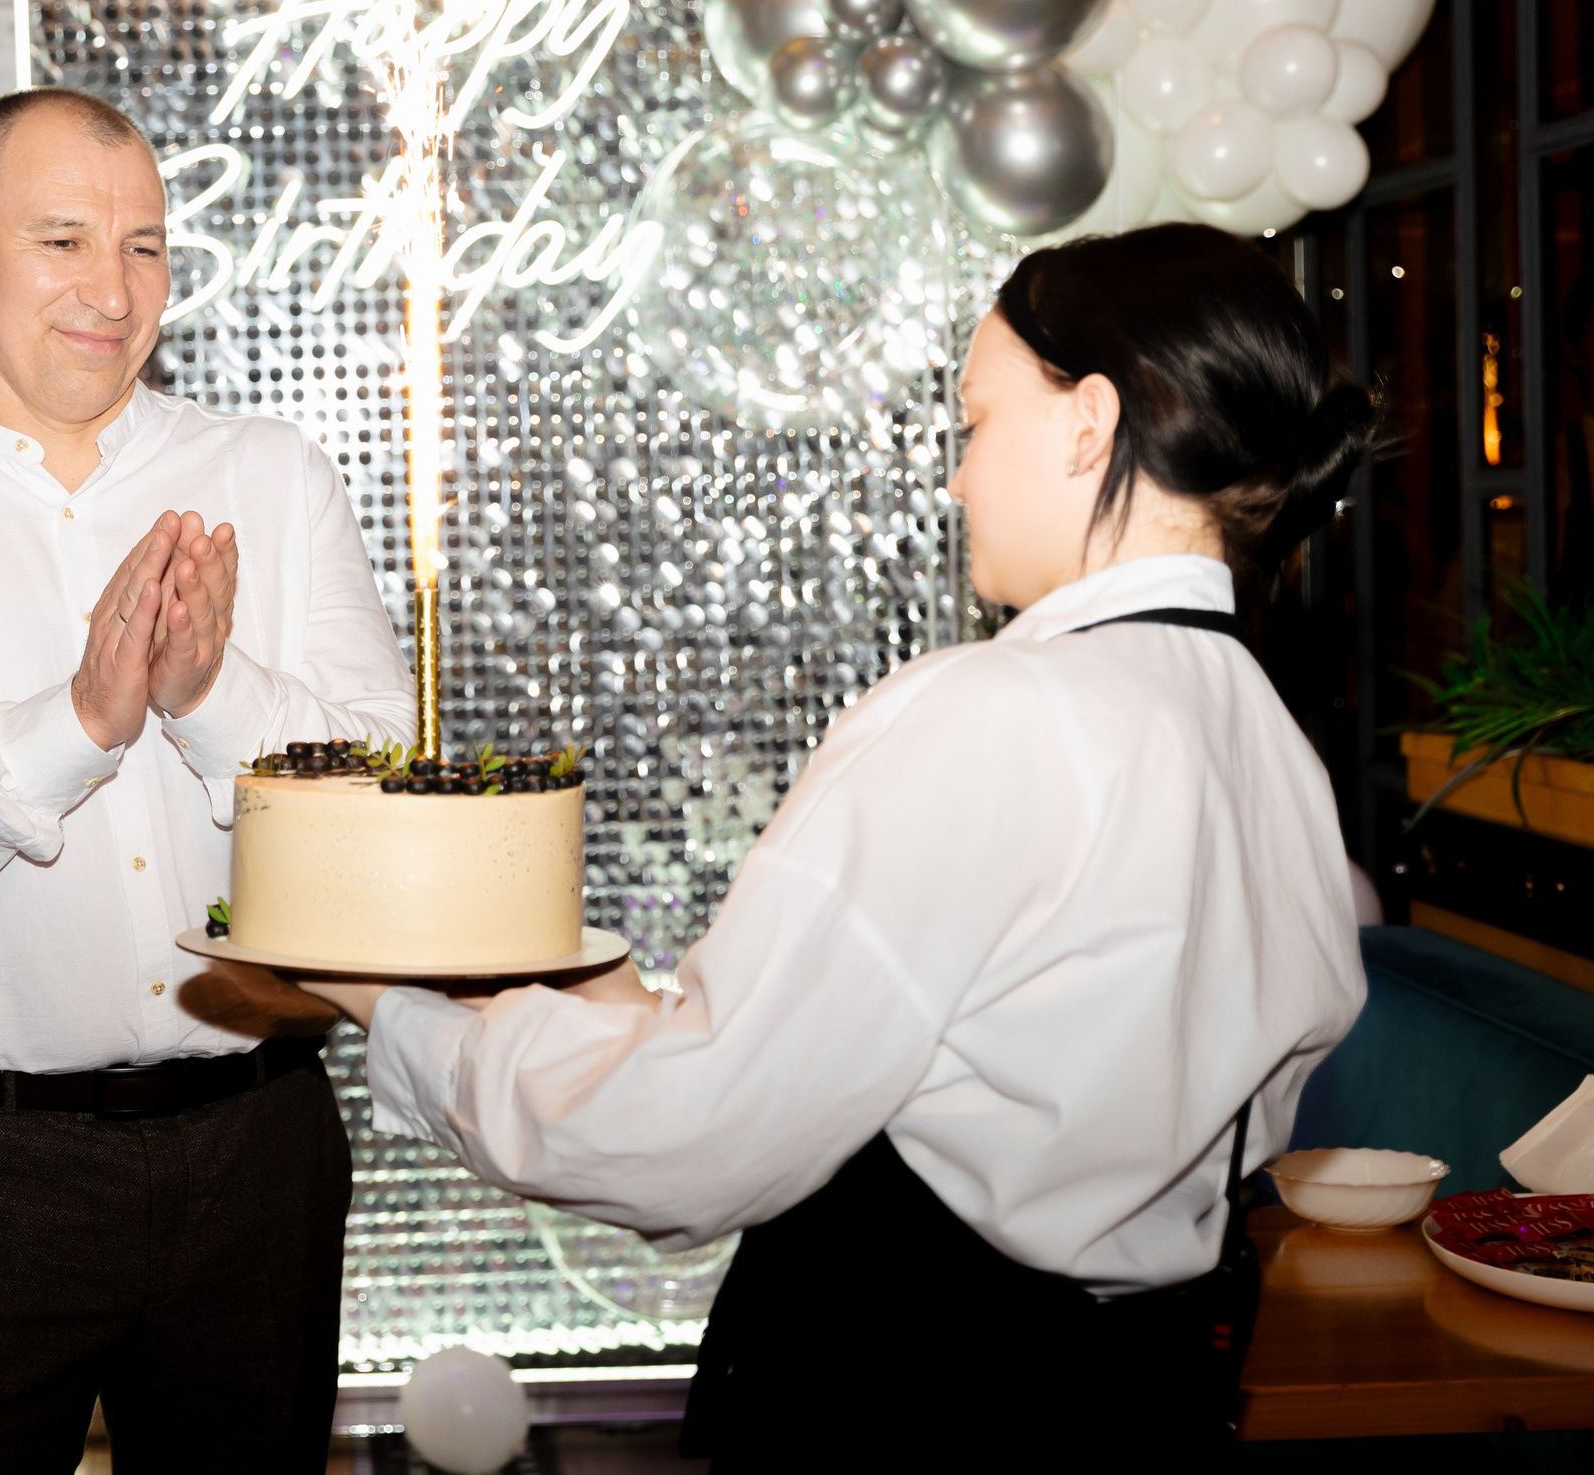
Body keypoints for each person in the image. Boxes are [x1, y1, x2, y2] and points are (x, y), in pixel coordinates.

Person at [301, 223, 1376, 1463]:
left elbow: (684, 1138)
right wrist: (623, 1001)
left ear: (1089, 424)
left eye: (975, 423)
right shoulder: (1274, 747)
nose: (959, 478)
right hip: (1144, 1396)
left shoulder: (989, 715)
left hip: (919, 1395)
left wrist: (387, 1009)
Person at [0, 87, 413, 1473]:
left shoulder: (266, 473)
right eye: (63, 240)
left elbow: (398, 823)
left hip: (259, 1147)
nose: (113, 289)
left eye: (146, 246)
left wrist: (211, 692)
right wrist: (77, 723)